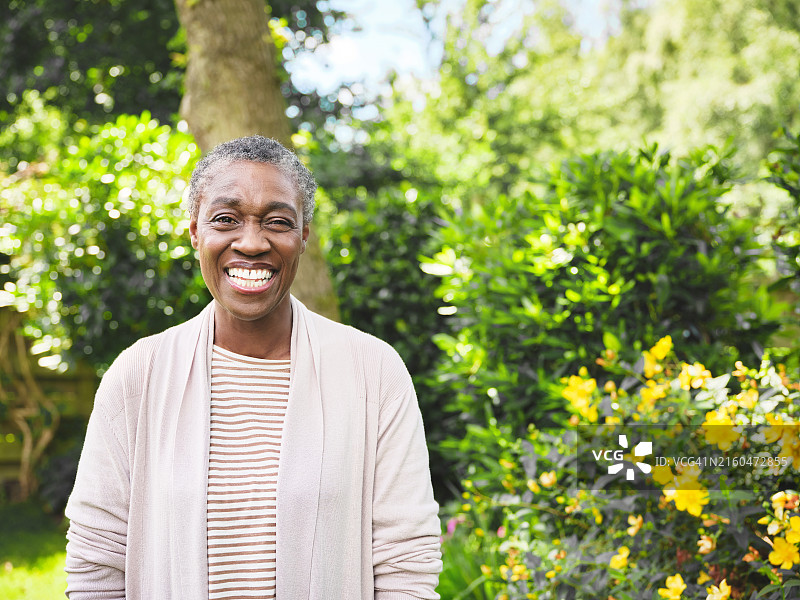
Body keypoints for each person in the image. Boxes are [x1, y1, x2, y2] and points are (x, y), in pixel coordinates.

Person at [64, 135, 443, 599]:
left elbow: (406, 561)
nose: (251, 242)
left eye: (277, 222)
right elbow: (97, 561)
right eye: (226, 219)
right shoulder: (138, 376)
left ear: (303, 237)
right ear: (195, 232)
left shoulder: (374, 373)